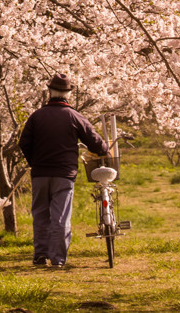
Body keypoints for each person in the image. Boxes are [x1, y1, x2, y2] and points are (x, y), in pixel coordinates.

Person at [18, 72, 109, 268]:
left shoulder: (36, 116)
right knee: (60, 217)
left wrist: (34, 160)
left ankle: (40, 255)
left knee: (40, 215)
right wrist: (104, 149)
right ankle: (58, 259)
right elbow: (95, 143)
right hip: (64, 175)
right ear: (68, 93)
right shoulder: (74, 116)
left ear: (49, 91)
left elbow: (24, 142)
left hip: (40, 173)